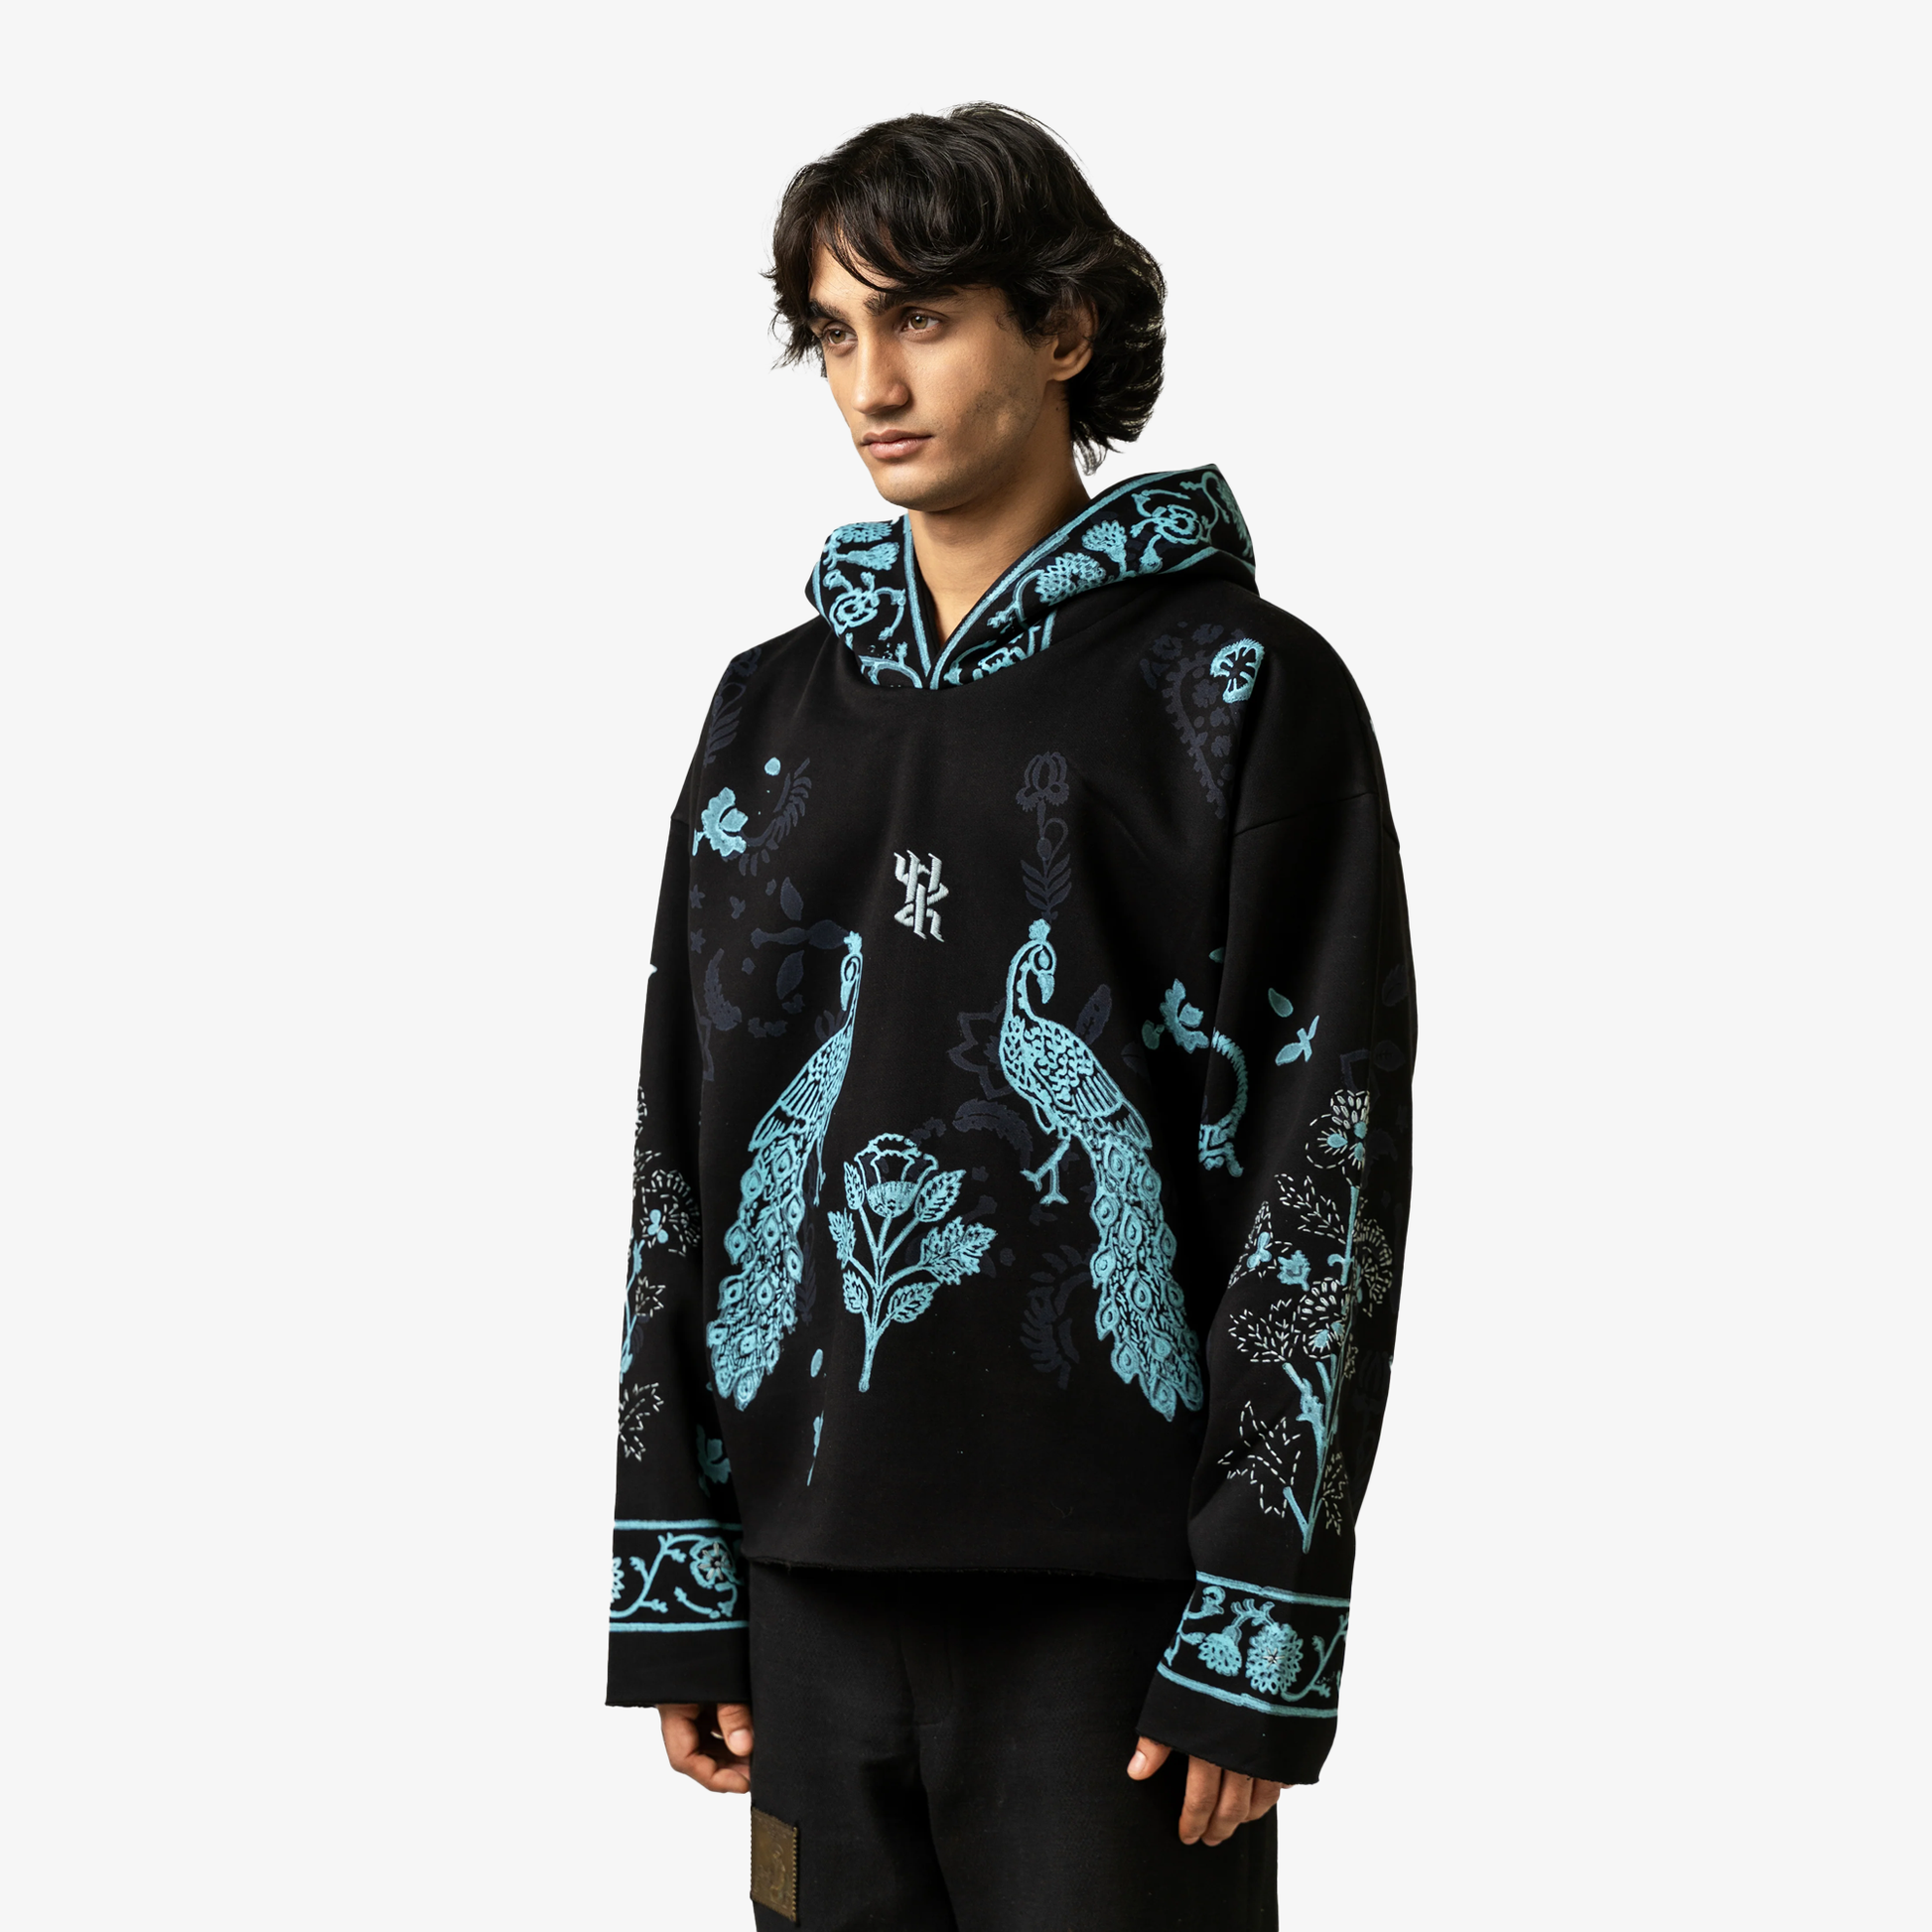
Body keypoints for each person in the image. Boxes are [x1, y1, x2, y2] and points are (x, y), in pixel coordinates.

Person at [607, 102, 1416, 1931]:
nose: (871, 383)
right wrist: (678, 1566)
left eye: (922, 318)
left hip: (1112, 1611)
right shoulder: (765, 711)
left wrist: (1259, 1611)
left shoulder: (1238, 690)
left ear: (1063, 328)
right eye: (833, 332)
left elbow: (1324, 1161)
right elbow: (685, 1142)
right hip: (805, 1583)